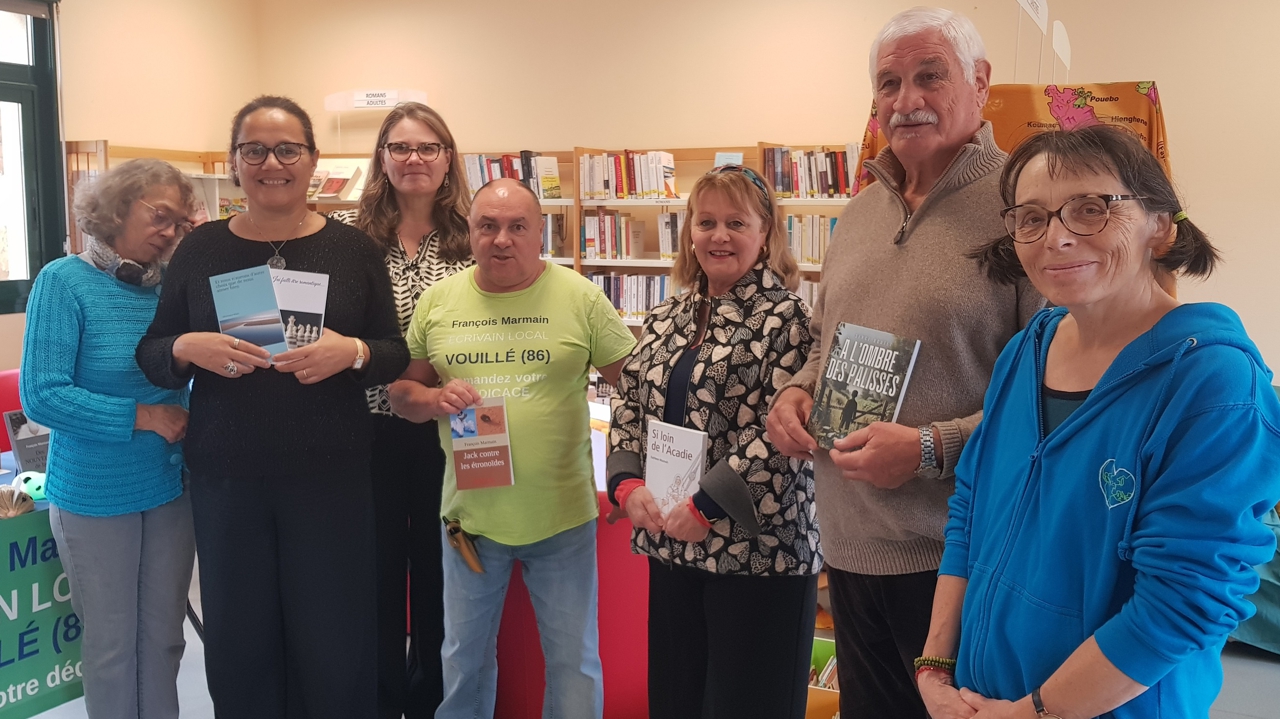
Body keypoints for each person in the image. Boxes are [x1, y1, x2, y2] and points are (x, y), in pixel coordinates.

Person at [918, 124, 1280, 719]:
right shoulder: (1024, 353)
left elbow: (1183, 603)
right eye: (1031, 217)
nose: (1055, 238)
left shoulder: (1215, 385)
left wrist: (1035, 712)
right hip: (982, 697)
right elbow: (970, 508)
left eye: (1090, 209)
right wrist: (935, 666)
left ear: (1159, 225)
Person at [764, 8, 1044, 718]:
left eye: (929, 76)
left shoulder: (1027, 210)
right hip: (847, 545)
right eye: (888, 83)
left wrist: (926, 449)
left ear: (980, 83)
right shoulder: (858, 213)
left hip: (955, 560)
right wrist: (796, 393)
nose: (905, 99)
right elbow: (827, 345)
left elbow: (1054, 401)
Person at [136, 95, 408, 719]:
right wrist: (185, 346)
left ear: (313, 161)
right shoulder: (200, 251)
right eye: (254, 149)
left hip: (331, 475)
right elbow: (151, 352)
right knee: (239, 638)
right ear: (235, 164)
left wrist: (355, 352)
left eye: (288, 149)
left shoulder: (354, 251)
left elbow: (394, 351)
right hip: (228, 476)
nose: (271, 162)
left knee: (334, 636)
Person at [389, 178, 635, 719]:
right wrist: (433, 399)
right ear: (470, 231)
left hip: (562, 519)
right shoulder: (439, 301)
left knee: (574, 664)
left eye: (516, 226)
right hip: (469, 521)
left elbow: (638, 388)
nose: (501, 239)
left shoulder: (580, 297)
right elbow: (401, 394)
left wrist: (631, 473)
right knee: (463, 660)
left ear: (539, 232)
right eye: (488, 226)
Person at [607, 166, 821, 719]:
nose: (718, 236)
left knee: (747, 704)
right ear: (689, 232)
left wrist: (705, 506)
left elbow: (779, 435)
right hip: (671, 544)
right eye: (706, 222)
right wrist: (627, 486)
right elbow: (630, 403)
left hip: (759, 555)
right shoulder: (665, 317)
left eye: (735, 222)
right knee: (676, 702)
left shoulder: (789, 320)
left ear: (766, 232)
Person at [20, 158, 197, 719]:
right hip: (94, 495)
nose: (170, 231)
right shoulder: (62, 282)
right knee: (113, 645)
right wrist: (142, 417)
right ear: (118, 208)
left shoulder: (172, 286)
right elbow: (42, 395)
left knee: (166, 639)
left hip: (169, 488)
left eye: (180, 222)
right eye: (160, 216)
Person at [330, 102, 472, 719]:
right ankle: (384, 700)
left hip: (454, 428)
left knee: (446, 574)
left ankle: (435, 700)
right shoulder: (346, 239)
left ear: (448, 159)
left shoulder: (477, 233)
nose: (415, 159)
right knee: (378, 573)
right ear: (382, 159)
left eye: (429, 147)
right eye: (402, 148)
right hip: (369, 429)